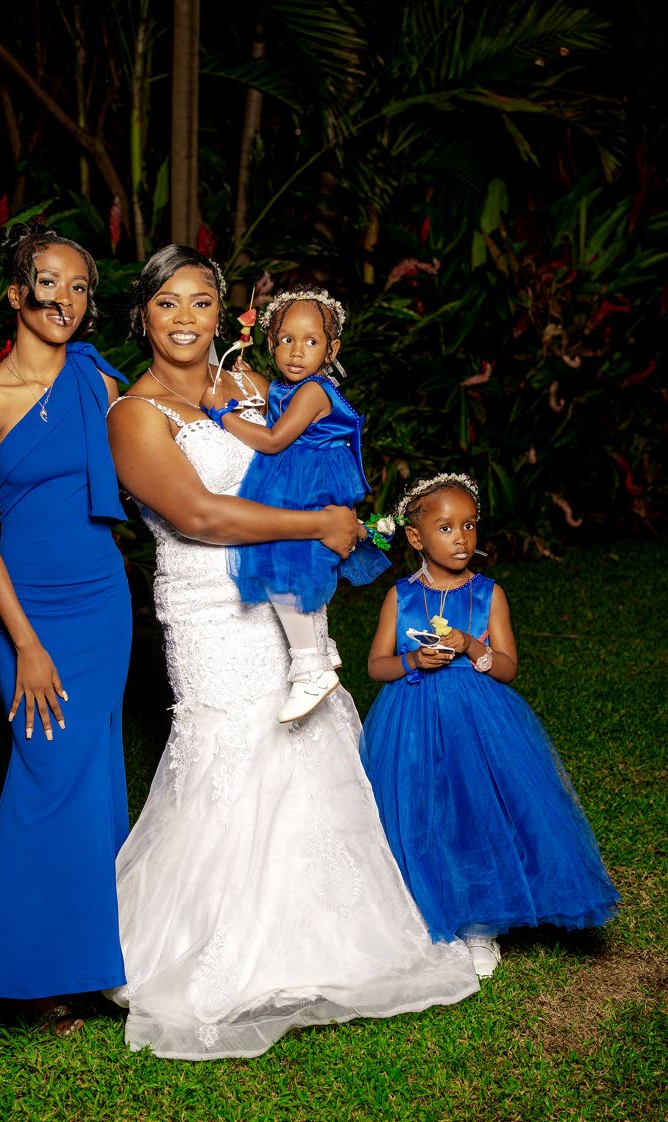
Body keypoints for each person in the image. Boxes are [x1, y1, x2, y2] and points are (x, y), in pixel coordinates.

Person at [104, 245, 479, 1061]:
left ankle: (329, 938)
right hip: (209, 607)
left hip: (279, 591)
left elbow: (304, 456)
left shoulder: (247, 385)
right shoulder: (133, 415)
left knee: (307, 737)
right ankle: (212, 949)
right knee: (229, 748)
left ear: (222, 311)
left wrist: (333, 518)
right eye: (167, 303)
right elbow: (200, 515)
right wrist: (316, 527)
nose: (184, 319)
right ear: (143, 315)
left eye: (201, 301)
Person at [0, 219, 132, 1034]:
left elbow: (170, 440)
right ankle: (8, 976)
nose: (64, 298)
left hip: (103, 605)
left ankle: (92, 963)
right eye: (48, 282)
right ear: (17, 293)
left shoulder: (98, 385)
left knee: (93, 781)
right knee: (47, 776)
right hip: (32, 618)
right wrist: (23, 641)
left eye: (80, 285)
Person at [361, 473, 620, 978]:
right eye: (446, 527)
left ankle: (482, 922)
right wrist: (413, 660)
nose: (461, 538)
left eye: (470, 525)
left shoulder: (487, 594)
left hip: (476, 721)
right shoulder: (399, 597)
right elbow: (376, 665)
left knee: (473, 809)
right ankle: (422, 907)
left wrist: (472, 647)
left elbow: (506, 667)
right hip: (410, 719)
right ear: (416, 538)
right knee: (419, 809)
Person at [202, 287, 389, 723]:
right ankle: (318, 645)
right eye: (286, 339)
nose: (296, 351)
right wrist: (245, 374)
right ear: (270, 343)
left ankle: (310, 665)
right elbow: (273, 402)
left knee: (285, 561)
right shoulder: (292, 388)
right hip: (297, 478)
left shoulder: (313, 392)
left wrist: (220, 414)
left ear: (331, 349)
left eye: (311, 341)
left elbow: (272, 440)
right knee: (293, 560)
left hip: (306, 483)